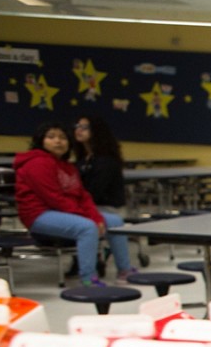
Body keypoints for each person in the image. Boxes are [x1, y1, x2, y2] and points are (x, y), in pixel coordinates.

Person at [13, 121, 134, 287]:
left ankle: (125, 271)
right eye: (51, 137)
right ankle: (88, 278)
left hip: (63, 211)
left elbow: (83, 196)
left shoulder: (67, 166)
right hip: (39, 214)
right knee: (87, 228)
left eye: (63, 138)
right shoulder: (37, 163)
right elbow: (53, 198)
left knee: (115, 221)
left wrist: (95, 216)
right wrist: (90, 219)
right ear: (41, 141)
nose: (58, 141)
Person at [72, 114, 127, 213]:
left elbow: (94, 193)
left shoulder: (106, 160)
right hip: (89, 205)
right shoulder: (83, 159)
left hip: (108, 208)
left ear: (96, 131)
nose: (78, 130)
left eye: (84, 127)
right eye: (77, 126)